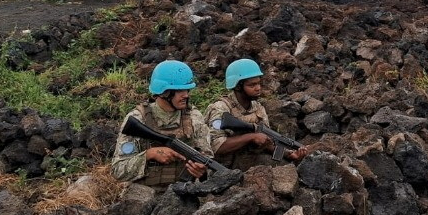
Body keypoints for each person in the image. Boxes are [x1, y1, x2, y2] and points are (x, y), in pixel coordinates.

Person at [111, 60, 212, 189]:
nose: (186, 95)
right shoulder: (138, 119)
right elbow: (118, 170)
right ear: (164, 92)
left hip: (185, 190)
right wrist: (150, 154)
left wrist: (201, 170)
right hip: (144, 194)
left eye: (187, 89)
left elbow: (207, 157)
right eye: (179, 90)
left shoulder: (194, 117)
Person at [206, 59, 309, 171]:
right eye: (252, 85)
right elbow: (216, 146)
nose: (258, 88)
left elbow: (267, 142)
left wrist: (288, 154)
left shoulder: (258, 108)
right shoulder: (220, 108)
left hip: (247, 165)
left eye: (259, 83)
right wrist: (251, 137)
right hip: (220, 169)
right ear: (238, 87)